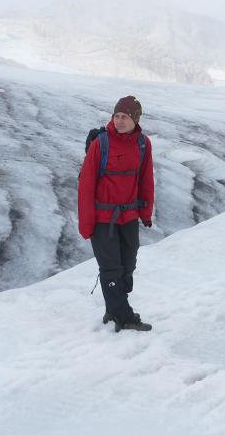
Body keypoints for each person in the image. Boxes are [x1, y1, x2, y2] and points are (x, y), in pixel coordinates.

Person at [78, 95, 155, 331]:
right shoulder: (100, 144)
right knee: (111, 268)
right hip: (103, 219)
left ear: (135, 119)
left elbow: (145, 179)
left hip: (128, 216)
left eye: (125, 117)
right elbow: (86, 185)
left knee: (128, 265)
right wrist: (86, 223)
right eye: (117, 116)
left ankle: (113, 308)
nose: (120, 121)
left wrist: (145, 211)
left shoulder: (143, 144)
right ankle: (124, 316)